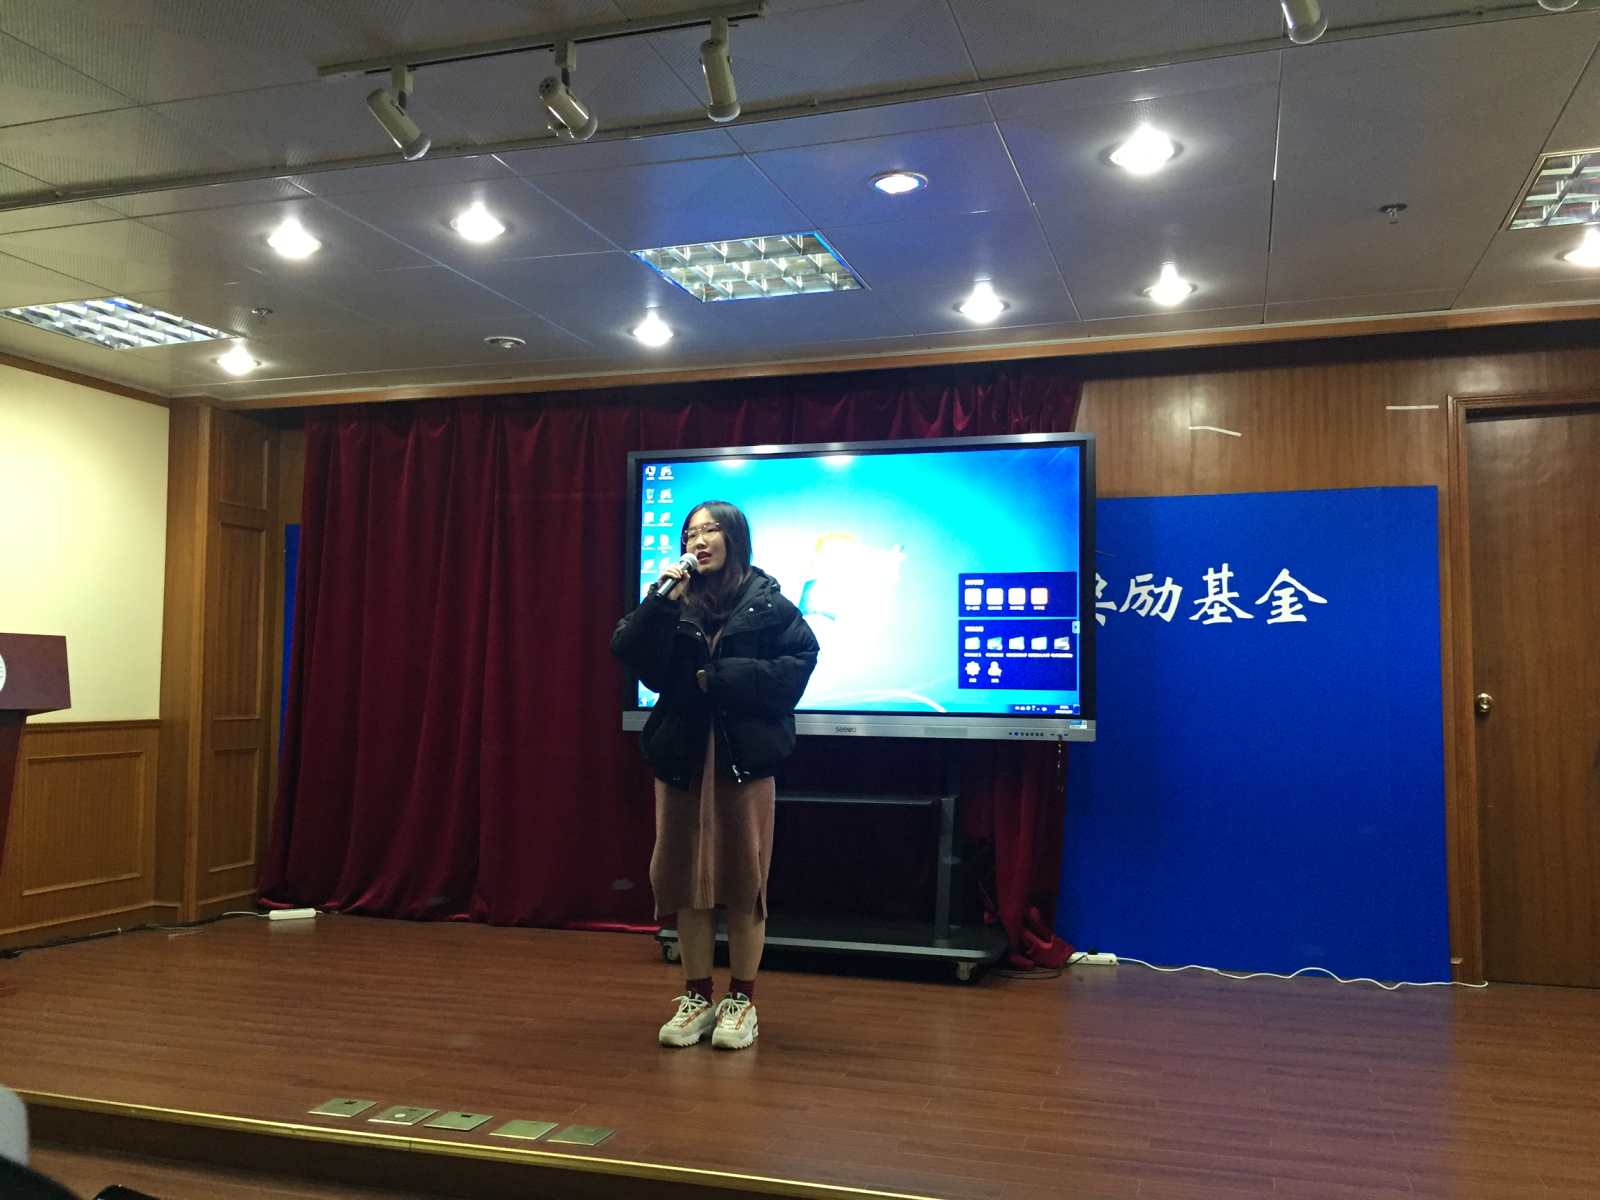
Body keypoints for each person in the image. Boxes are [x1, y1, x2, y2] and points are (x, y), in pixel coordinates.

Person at [610, 501, 819, 1050]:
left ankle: (741, 1002)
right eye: (690, 533)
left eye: (710, 531)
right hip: (681, 756)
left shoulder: (768, 603)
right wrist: (660, 600)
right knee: (687, 881)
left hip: (743, 759)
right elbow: (627, 649)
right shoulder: (673, 601)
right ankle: (697, 998)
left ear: (735, 538)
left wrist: (725, 676)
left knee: (742, 883)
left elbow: (799, 664)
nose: (698, 541)